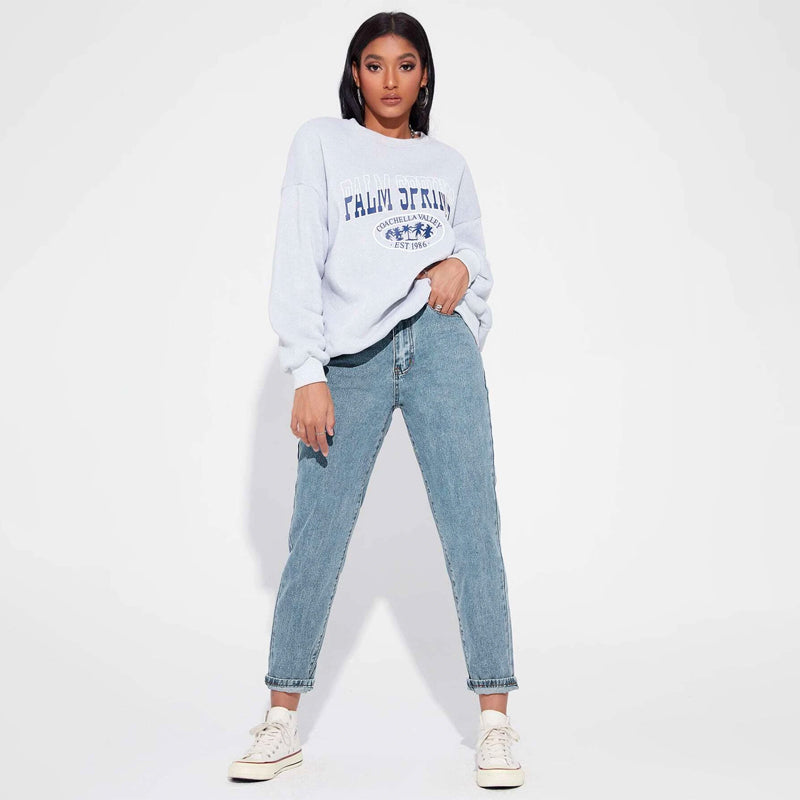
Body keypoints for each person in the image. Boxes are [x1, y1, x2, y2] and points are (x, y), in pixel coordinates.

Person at [228, 11, 523, 790]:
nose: (390, 80)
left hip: (439, 346)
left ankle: (495, 723)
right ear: (354, 74)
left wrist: (461, 269)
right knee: (316, 536)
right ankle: (281, 719)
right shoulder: (321, 143)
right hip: (349, 357)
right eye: (374, 63)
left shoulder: (449, 163)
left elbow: (475, 256)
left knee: (473, 527)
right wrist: (307, 371)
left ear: (424, 77)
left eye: (406, 64)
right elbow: (299, 255)